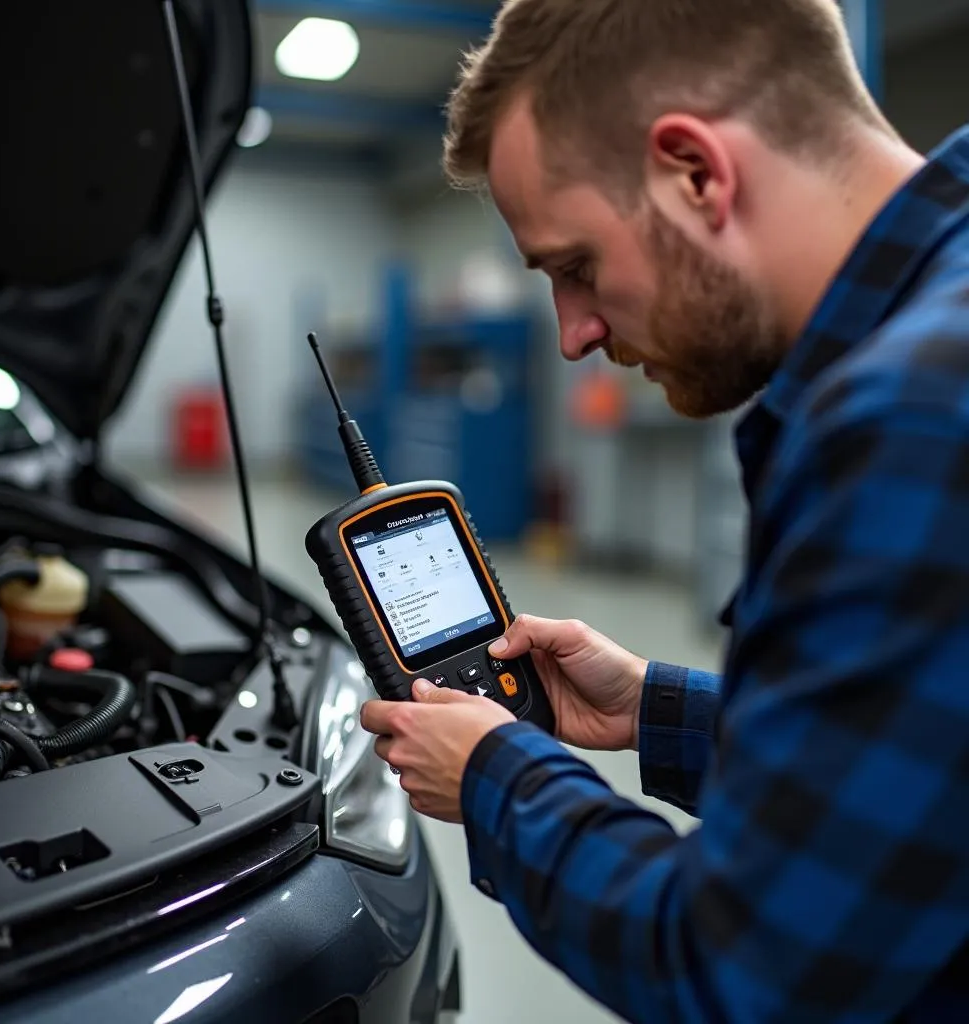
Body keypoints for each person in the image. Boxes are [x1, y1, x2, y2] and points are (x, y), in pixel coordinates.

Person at [360, 0, 969, 1019]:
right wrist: (660, 709)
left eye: (574, 267)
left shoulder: (906, 419)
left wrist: (495, 778)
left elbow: (745, 977)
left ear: (694, 172)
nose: (572, 334)